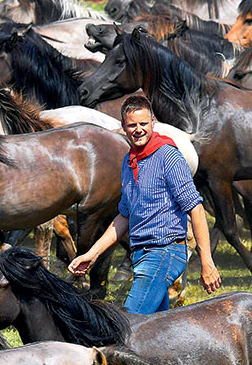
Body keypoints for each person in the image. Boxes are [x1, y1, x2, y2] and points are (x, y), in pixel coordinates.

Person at [68, 95, 221, 314]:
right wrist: (91, 255)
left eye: (143, 124)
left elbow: (195, 209)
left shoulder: (168, 157)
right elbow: (124, 217)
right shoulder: (129, 162)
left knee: (131, 322)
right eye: (132, 125)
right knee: (156, 332)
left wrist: (207, 261)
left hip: (164, 252)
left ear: (153, 123)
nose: (138, 129)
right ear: (123, 127)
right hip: (141, 255)